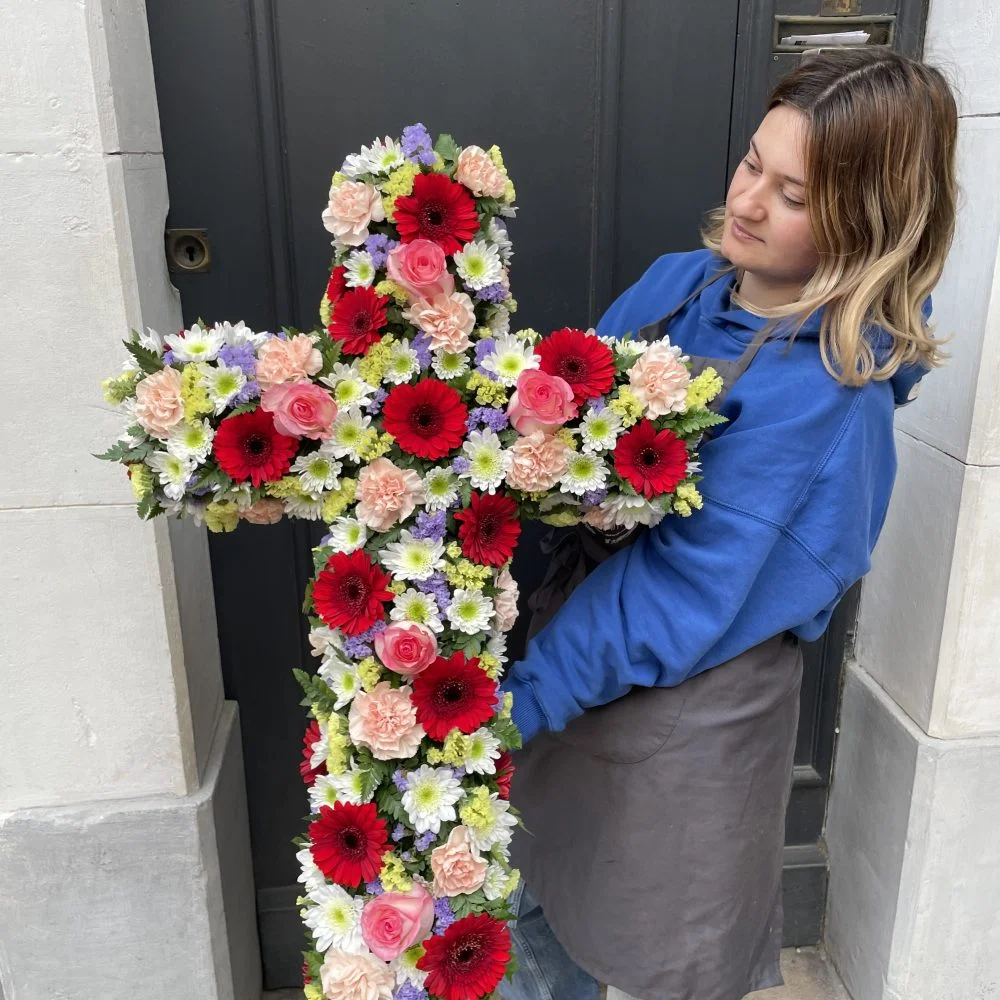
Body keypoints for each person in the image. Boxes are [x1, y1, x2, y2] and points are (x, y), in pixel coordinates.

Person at [499, 49, 958, 1000]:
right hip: (578, 650)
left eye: (793, 195)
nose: (748, 202)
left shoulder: (828, 396)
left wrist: (515, 710)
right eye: (753, 164)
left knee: (628, 938)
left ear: (865, 223)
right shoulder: (682, 283)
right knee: (530, 903)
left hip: (686, 713)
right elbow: (561, 421)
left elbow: (675, 595)